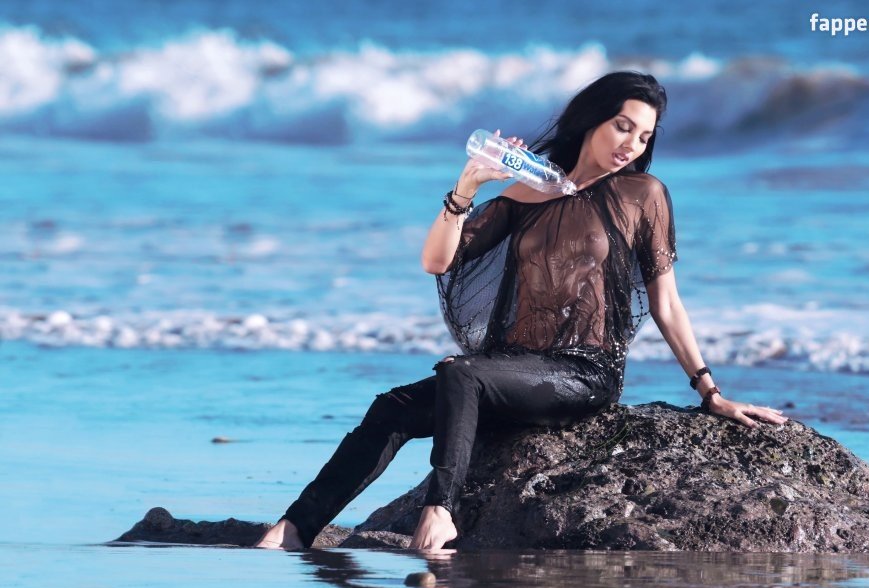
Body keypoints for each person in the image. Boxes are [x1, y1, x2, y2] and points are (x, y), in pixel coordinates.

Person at [255, 71, 788, 551]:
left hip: (583, 373)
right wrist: (467, 187)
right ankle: (296, 526)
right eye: (623, 126)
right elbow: (436, 260)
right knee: (391, 408)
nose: (632, 144)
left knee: (461, 374)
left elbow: (667, 302)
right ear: (591, 120)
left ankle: (441, 511)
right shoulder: (529, 191)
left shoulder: (641, 195)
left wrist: (710, 392)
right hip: (512, 368)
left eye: (644, 136)